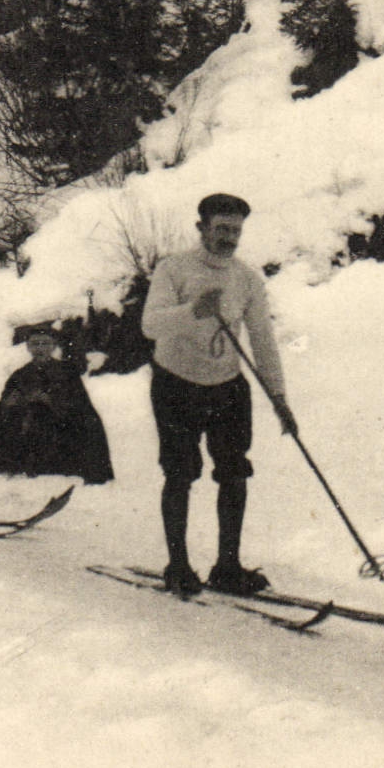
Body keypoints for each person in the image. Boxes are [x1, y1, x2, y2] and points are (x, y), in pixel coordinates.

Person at [141, 193, 295, 597]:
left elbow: (262, 340)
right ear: (202, 228)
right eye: (221, 229)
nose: (229, 238)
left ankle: (227, 566)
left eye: (236, 231)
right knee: (180, 472)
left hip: (227, 385)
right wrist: (192, 311)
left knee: (234, 472)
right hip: (176, 383)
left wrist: (279, 398)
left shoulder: (246, 279)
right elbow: (150, 325)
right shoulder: (173, 269)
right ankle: (178, 565)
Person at [0, 324, 114, 485]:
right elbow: (3, 409)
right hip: (27, 433)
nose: (40, 348)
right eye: (35, 344)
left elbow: (80, 405)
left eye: (45, 344)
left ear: (53, 346)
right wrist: (10, 404)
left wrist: (51, 400)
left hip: (62, 432)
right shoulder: (19, 375)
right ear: (28, 347)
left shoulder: (67, 372)